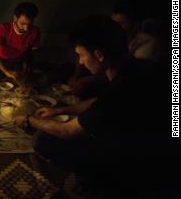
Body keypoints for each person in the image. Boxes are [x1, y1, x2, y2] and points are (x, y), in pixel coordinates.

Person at [14, 15, 173, 197]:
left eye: (81, 55)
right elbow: (99, 101)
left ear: (98, 55)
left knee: (42, 140)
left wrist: (30, 120)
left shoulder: (120, 92)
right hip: (153, 143)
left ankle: (94, 181)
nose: (80, 61)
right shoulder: (136, 67)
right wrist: (61, 109)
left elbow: (67, 131)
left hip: (138, 163)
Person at [0, 2, 40, 82]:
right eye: (22, 23)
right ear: (15, 17)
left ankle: (6, 77)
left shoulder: (35, 31)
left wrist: (25, 66)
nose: (26, 28)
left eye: (30, 24)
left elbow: (31, 53)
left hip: (17, 63)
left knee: (32, 75)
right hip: (1, 61)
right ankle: (7, 76)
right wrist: (6, 71)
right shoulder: (4, 28)